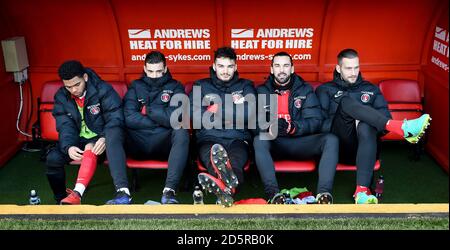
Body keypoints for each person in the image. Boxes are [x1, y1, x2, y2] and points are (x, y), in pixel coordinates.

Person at [316, 48, 431, 204]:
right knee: (346, 103)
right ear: (338, 68)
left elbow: (384, 126)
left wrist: (363, 120)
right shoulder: (325, 90)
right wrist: (350, 119)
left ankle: (361, 192)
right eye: (348, 68)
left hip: (367, 149)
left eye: (356, 67)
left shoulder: (371, 90)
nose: (353, 72)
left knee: (365, 124)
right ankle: (403, 128)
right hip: (338, 149)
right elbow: (319, 125)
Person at [253, 52, 339, 204]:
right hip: (276, 143)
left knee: (330, 139)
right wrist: (270, 127)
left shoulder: (304, 90)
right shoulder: (261, 91)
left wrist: (293, 127)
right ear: (271, 69)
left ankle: (323, 195)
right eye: (277, 66)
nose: (282, 70)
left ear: (292, 69)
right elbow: (253, 123)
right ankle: (274, 195)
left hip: (300, 142)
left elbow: (316, 121)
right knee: (259, 140)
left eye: (286, 65)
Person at [46, 60, 132, 205]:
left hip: (101, 139)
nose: (73, 90)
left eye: (76, 84)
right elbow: (65, 125)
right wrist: (68, 146)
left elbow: (116, 117)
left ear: (85, 77)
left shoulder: (103, 89)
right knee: (53, 159)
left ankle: (76, 194)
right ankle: (61, 199)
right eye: (68, 87)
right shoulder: (61, 96)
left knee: (89, 147)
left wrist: (105, 137)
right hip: (76, 140)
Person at [190, 47, 256, 207]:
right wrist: (235, 110)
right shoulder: (201, 85)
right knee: (216, 161)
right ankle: (229, 190)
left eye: (229, 66)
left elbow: (250, 112)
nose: (225, 71)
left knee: (234, 164)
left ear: (236, 67)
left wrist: (215, 109)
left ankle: (223, 188)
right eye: (221, 66)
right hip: (209, 138)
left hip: (238, 138)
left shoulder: (246, 85)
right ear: (214, 66)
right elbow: (194, 114)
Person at [123, 51, 189, 204]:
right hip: (138, 144)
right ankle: (122, 191)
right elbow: (129, 118)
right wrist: (161, 119)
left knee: (181, 130)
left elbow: (176, 117)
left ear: (165, 69)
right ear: (145, 69)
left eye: (159, 71)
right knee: (117, 129)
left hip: (164, 145)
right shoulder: (135, 86)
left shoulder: (175, 86)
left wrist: (148, 111)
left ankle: (169, 191)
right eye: (150, 71)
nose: (154, 75)